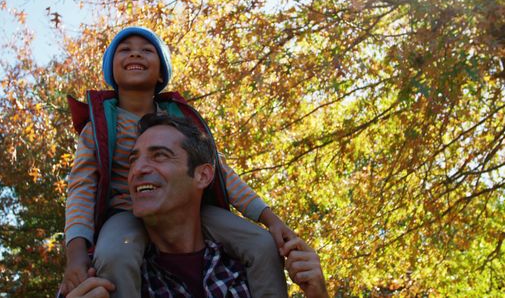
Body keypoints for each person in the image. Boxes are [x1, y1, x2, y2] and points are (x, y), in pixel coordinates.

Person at [61, 27, 294, 297]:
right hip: (125, 214)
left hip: (185, 211)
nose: (135, 52)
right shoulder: (99, 127)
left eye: (147, 50)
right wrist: (76, 254)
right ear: (112, 71)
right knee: (114, 255)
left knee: (261, 243)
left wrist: (271, 220)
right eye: (124, 50)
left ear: (161, 72)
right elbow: (81, 188)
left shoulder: (181, 122)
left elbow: (221, 173)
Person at [67, 114, 328, 298]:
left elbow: (229, 179)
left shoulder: (246, 270)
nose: (137, 169)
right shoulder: (95, 280)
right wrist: (76, 253)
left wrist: (318, 295)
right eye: (133, 160)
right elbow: (80, 187)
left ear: (203, 175)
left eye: (159, 155)